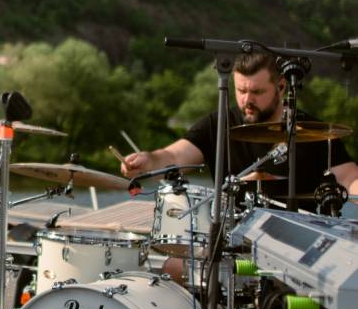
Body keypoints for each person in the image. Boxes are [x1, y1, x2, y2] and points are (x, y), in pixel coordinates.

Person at [120, 49, 358, 202]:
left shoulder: (314, 132)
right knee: (172, 268)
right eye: (241, 90)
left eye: (256, 92)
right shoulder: (217, 124)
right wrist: (148, 160)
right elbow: (174, 155)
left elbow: (348, 178)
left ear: (282, 87)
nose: (247, 100)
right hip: (229, 242)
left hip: (294, 249)